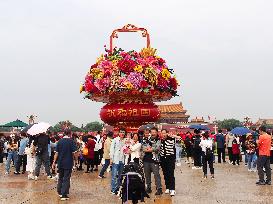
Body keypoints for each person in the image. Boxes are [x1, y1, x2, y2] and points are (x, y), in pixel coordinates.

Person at [52, 129, 77, 201]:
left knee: (60, 177)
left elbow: (56, 153)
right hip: (68, 163)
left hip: (60, 162)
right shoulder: (71, 142)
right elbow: (74, 153)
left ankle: (59, 191)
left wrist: (54, 162)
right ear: (70, 134)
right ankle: (64, 194)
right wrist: (76, 161)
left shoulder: (60, 141)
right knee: (66, 178)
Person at [142, 127, 162, 195]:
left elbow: (157, 148)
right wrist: (151, 149)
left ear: (157, 133)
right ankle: (148, 188)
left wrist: (150, 149)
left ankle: (159, 188)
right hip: (146, 160)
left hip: (154, 160)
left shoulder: (158, 140)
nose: (153, 133)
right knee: (147, 175)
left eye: (154, 132)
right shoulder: (146, 139)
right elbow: (144, 148)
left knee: (156, 175)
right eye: (152, 132)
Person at [160, 129, 180, 196]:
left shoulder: (171, 139)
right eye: (162, 133)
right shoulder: (161, 140)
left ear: (167, 133)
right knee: (165, 174)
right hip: (163, 159)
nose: (163, 135)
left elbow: (179, 138)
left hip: (170, 158)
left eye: (164, 133)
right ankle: (168, 187)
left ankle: (172, 189)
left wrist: (173, 135)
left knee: (170, 173)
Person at [110, 128, 126, 195]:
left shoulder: (125, 141)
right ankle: (113, 189)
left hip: (122, 160)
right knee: (114, 175)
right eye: (121, 132)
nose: (122, 133)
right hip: (115, 160)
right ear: (118, 133)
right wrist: (111, 158)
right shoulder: (115, 140)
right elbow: (112, 149)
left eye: (123, 132)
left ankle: (118, 188)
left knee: (120, 176)